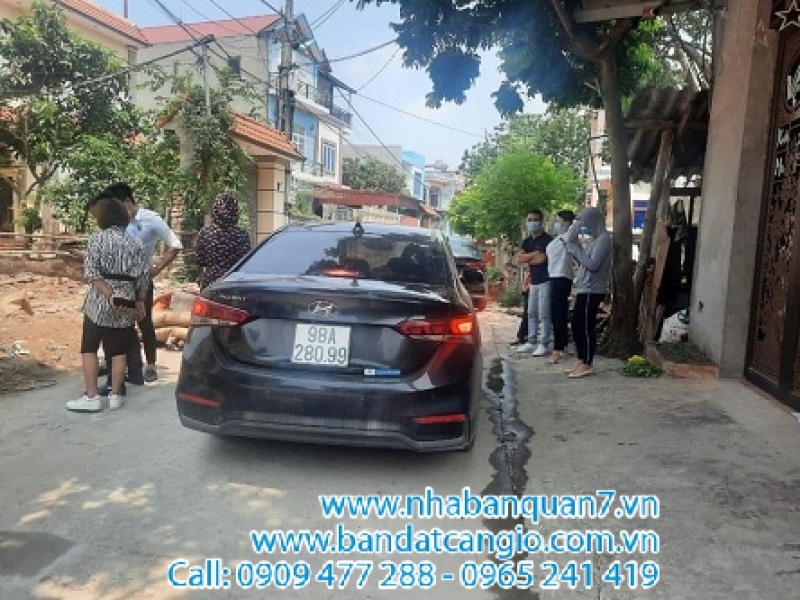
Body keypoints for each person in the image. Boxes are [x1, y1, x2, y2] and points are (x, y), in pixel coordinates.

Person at [67, 194, 150, 412]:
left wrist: (109, 294)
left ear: (104, 217)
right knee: (119, 351)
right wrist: (140, 301)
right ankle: (115, 396)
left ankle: (92, 396)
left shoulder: (97, 239)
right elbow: (144, 278)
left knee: (89, 348)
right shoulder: (137, 243)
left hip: (99, 300)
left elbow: (92, 274)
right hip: (127, 299)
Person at [105, 182, 182, 387]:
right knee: (119, 322)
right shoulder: (116, 222)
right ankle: (121, 365)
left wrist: (157, 269)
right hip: (118, 279)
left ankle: (151, 365)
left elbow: (175, 244)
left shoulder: (151, 219)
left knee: (144, 321)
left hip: (141, 280)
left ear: (127, 202)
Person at [564, 206, 612, 378]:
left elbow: (593, 264)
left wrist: (576, 251)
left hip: (593, 290)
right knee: (577, 325)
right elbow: (572, 244)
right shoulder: (594, 240)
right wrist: (575, 227)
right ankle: (581, 358)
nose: (584, 227)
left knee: (586, 326)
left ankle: (588, 363)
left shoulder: (604, 239)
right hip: (584, 289)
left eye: (585, 223)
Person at [516, 209, 553, 357]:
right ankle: (531, 341)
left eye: (535, 220)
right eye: (529, 220)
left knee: (544, 314)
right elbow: (520, 258)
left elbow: (542, 259)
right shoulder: (527, 241)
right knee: (531, 313)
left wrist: (529, 257)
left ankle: (543, 343)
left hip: (546, 280)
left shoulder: (548, 240)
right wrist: (533, 255)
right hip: (533, 281)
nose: (532, 223)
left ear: (541, 222)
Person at [195, 193, 251, 290]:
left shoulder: (205, 233)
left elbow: (200, 260)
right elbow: (246, 261)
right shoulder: (241, 235)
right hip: (233, 283)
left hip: (211, 282)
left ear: (215, 211)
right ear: (235, 211)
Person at [546, 210, 576, 364]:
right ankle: (561, 345)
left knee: (557, 314)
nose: (556, 224)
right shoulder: (559, 238)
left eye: (559, 221)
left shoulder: (569, 236)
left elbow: (576, 225)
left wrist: (575, 220)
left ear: (566, 222)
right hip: (554, 277)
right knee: (558, 314)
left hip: (562, 278)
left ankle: (558, 349)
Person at [511, 271, 530, 346]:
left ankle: (522, 336)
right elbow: (527, 276)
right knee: (527, 314)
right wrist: (525, 287)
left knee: (528, 314)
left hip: (532, 287)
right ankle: (522, 336)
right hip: (529, 288)